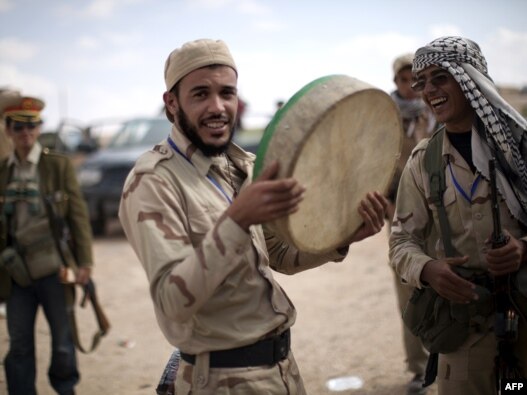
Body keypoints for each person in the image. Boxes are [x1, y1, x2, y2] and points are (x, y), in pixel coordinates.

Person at [118, 38, 388, 395]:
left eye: (226, 93)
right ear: (172, 104)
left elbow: (279, 255)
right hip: (220, 380)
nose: (218, 107)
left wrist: (342, 238)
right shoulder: (153, 180)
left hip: (280, 371)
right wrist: (237, 221)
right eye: (200, 94)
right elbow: (172, 300)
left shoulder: (241, 165)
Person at [389, 36, 527, 395]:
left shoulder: (518, 149)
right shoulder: (423, 161)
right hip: (465, 325)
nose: (429, 90)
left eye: (440, 78)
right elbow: (402, 241)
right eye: (422, 83)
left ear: (469, 78)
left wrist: (523, 248)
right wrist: (427, 269)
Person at [0, 95, 94, 395]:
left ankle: (65, 389)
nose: (25, 132)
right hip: (16, 274)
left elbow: (78, 214)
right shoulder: (2, 171)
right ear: (7, 130)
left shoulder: (58, 166)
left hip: (55, 269)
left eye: (31, 125)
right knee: (19, 347)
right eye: (17, 126)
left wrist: (85, 263)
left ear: (39, 128)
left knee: (64, 344)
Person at [386, 53, 436, 395]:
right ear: (397, 83)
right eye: (407, 80)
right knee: (409, 291)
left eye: (419, 80)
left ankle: (447, 362)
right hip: (402, 215)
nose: (413, 87)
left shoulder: (437, 113)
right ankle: (418, 369)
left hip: (440, 212)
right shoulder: (384, 118)